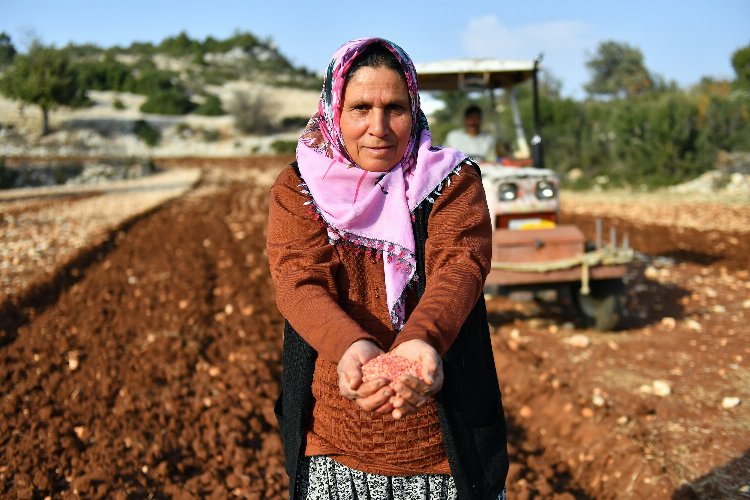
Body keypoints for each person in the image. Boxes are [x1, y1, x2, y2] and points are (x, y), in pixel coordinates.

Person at [267, 37, 508, 500]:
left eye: (394, 108)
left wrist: (422, 340)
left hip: (443, 458)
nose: (378, 127)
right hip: (333, 452)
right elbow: (299, 281)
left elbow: (460, 266)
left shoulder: (451, 181)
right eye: (360, 108)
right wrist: (351, 346)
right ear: (335, 110)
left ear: (414, 110)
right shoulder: (298, 188)